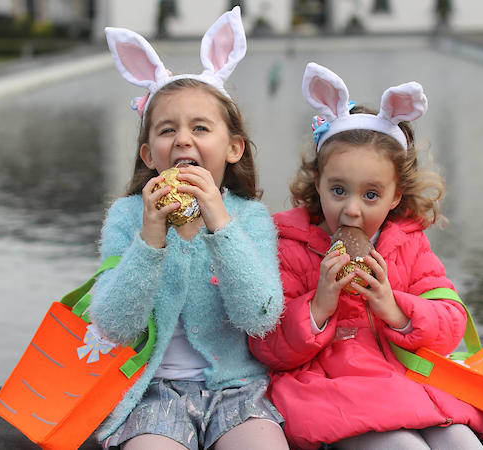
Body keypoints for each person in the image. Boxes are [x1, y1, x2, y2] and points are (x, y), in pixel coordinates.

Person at [248, 63, 483, 449]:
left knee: (463, 443)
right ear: (318, 184)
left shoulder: (408, 241)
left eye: (371, 195)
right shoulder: (288, 244)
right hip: (331, 387)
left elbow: (452, 324)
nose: (352, 210)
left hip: (406, 376)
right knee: (403, 447)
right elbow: (265, 344)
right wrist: (319, 305)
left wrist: (393, 308)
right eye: (339, 190)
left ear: (396, 195)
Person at [89, 8, 288, 450]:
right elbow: (115, 325)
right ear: (148, 154)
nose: (182, 139)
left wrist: (220, 220)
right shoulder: (127, 216)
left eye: (200, 127)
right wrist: (150, 240)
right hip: (151, 392)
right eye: (167, 130)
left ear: (233, 147)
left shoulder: (249, 218)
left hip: (236, 390)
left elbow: (260, 316)